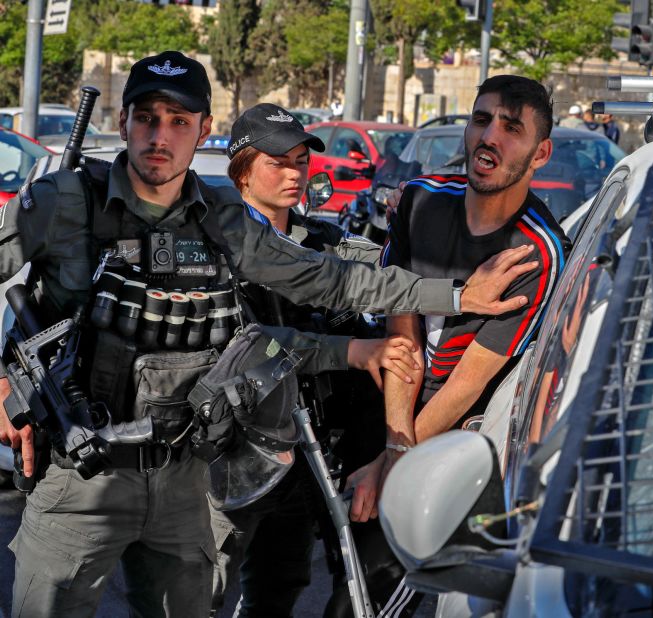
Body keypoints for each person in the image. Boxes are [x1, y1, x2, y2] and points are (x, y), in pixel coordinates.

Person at [0, 50, 535, 618]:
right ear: (126, 120)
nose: (160, 136)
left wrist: (454, 296)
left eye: (179, 122)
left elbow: (333, 281)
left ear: (203, 130)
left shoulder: (224, 220)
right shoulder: (65, 201)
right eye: (146, 117)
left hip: (185, 481)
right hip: (81, 480)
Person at [347, 74, 571, 616]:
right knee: (347, 576)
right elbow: (400, 332)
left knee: (386, 589)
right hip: (389, 405)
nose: (489, 136)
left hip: (458, 438)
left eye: (511, 127)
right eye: (481, 119)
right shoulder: (421, 200)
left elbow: (469, 382)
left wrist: (393, 462)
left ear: (541, 153)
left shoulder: (539, 250)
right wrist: (393, 445)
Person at [208, 103, 416, 617]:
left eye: (301, 160)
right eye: (278, 161)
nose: (295, 172)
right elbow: (248, 347)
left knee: (285, 583)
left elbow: (382, 270)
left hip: (311, 448)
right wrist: (350, 350)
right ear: (242, 169)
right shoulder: (214, 246)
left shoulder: (319, 239)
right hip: (237, 447)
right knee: (202, 586)